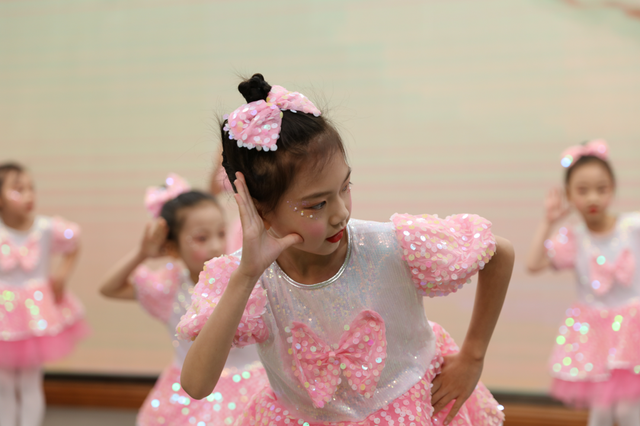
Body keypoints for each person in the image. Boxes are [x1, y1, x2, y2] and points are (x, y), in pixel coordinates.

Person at [177, 74, 514, 426]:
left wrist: (473, 356)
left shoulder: (390, 245)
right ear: (261, 209)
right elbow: (197, 385)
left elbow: (499, 253)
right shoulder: (250, 280)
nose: (340, 213)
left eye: (345, 187)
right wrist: (247, 275)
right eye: (316, 204)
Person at [99, 174, 267, 426]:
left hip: (254, 388)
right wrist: (142, 253)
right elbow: (108, 288)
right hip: (190, 395)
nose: (216, 245)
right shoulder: (170, 287)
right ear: (173, 247)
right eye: (201, 238)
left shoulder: (245, 277)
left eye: (221, 233)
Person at [526, 140, 640, 426]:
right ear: (568, 194)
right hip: (595, 334)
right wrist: (548, 222)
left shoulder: (632, 227)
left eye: (601, 189)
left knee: (629, 411)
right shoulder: (574, 239)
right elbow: (533, 264)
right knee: (601, 412)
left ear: (612, 189)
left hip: (633, 329)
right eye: (582, 190)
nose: (593, 198)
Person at [0, 162, 87, 426]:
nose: (29, 195)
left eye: (31, 188)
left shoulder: (46, 228)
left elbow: (74, 242)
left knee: (30, 381)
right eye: (18, 189)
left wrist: (62, 274)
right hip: (3, 315)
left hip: (35, 314)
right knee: (3, 384)